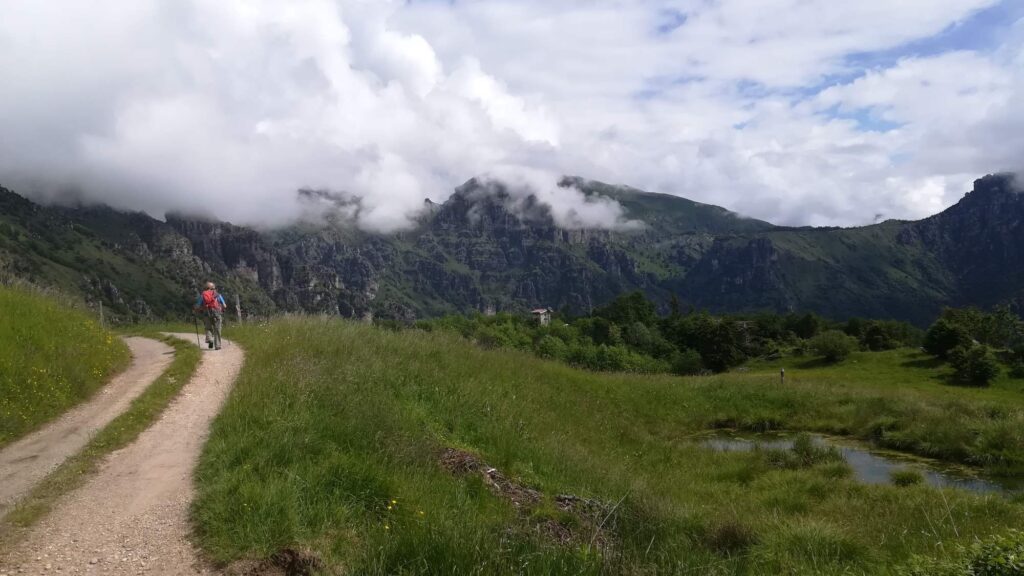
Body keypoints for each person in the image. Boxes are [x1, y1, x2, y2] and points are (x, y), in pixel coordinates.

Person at [194, 282, 227, 350]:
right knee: (217, 329)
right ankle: (217, 345)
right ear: (212, 288)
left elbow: (197, 306)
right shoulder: (218, 295)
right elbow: (224, 305)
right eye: (214, 287)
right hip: (217, 313)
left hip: (206, 314)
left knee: (208, 328)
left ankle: (210, 340)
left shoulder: (203, 295)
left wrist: (200, 309)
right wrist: (222, 310)